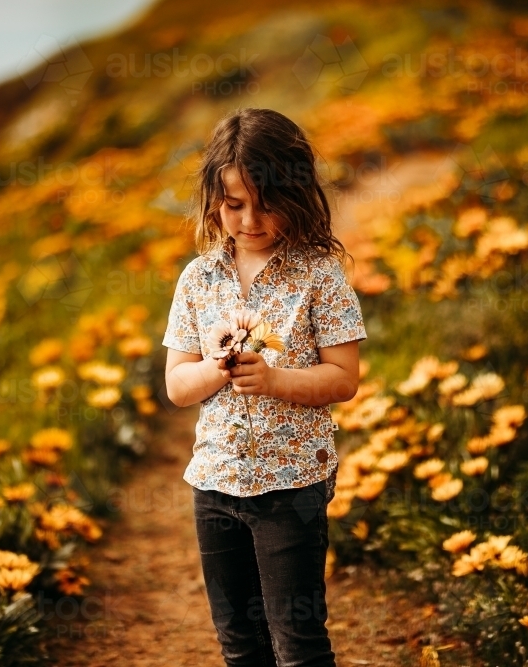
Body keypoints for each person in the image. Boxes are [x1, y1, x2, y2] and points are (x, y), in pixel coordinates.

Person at [162, 107, 367, 667]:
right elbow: (178, 386)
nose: (250, 219)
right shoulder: (198, 279)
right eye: (234, 205)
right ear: (214, 202)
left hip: (292, 484)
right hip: (216, 483)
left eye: (267, 203)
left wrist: (274, 379)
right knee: (239, 645)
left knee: (298, 646)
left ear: (296, 196)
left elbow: (345, 379)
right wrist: (220, 367)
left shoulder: (318, 273)